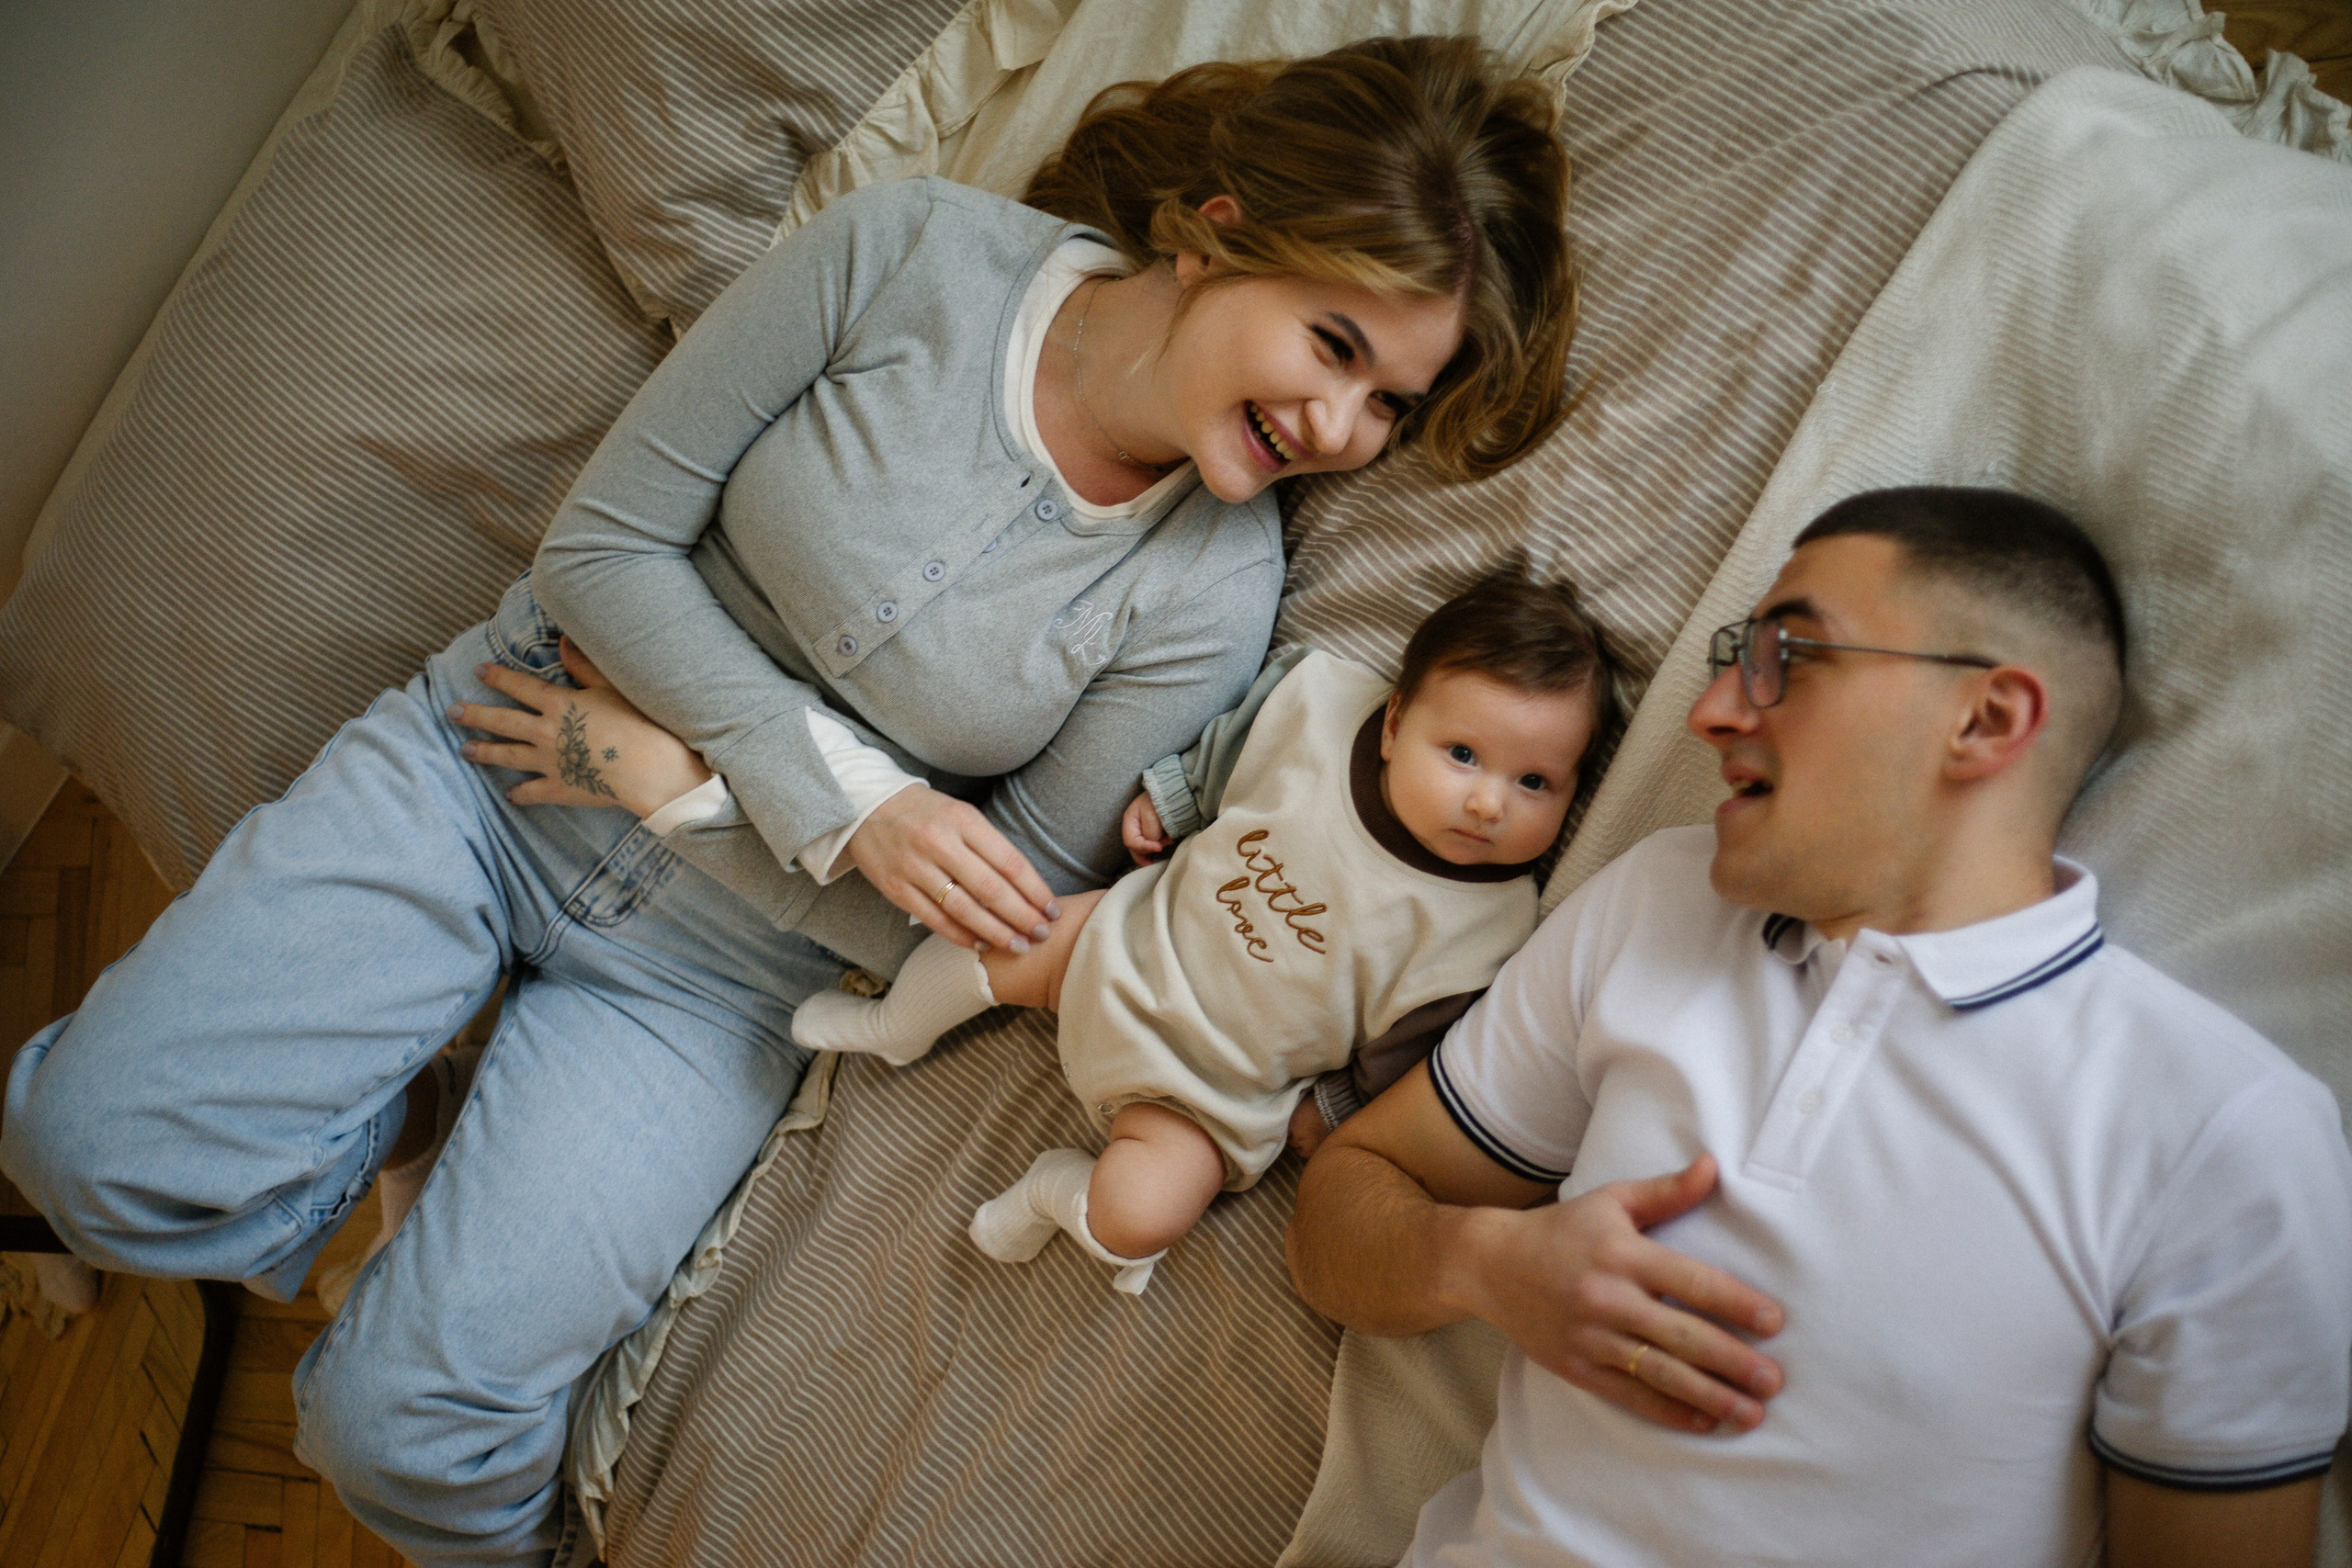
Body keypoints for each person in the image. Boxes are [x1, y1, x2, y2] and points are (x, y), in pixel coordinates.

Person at [0, 36, 1579, 1567]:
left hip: (721, 981)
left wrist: (687, 786)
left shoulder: (1213, 592)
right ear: (1222, 229)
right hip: (493, 766)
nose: (1339, 430)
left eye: (1389, 407)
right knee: (87, 1148)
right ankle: (396, 1112)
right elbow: (603, 551)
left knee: (402, 1433)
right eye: (1333, 346)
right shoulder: (915, 258)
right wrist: (830, 786)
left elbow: (987, 918)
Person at [1287, 488, 2352, 1567]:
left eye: (1784, 656)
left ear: (1983, 720)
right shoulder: (1658, 899)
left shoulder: (2227, 1137)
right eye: (1728, 656)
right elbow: (1341, 1209)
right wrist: (1484, 1263)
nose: (1707, 711)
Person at [787, 578, 1615, 1294]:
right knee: (1001, 934)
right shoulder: (1324, 707)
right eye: (1463, 753)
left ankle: (1051, 1193)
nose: (1488, 802)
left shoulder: (1487, 930)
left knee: (1139, 1221)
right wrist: (1177, 797)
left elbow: (1409, 1051)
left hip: (1204, 1092)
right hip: (1122, 937)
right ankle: (895, 1025)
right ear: (1395, 722)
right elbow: (1239, 741)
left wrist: (1332, 1109)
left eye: (1534, 781)